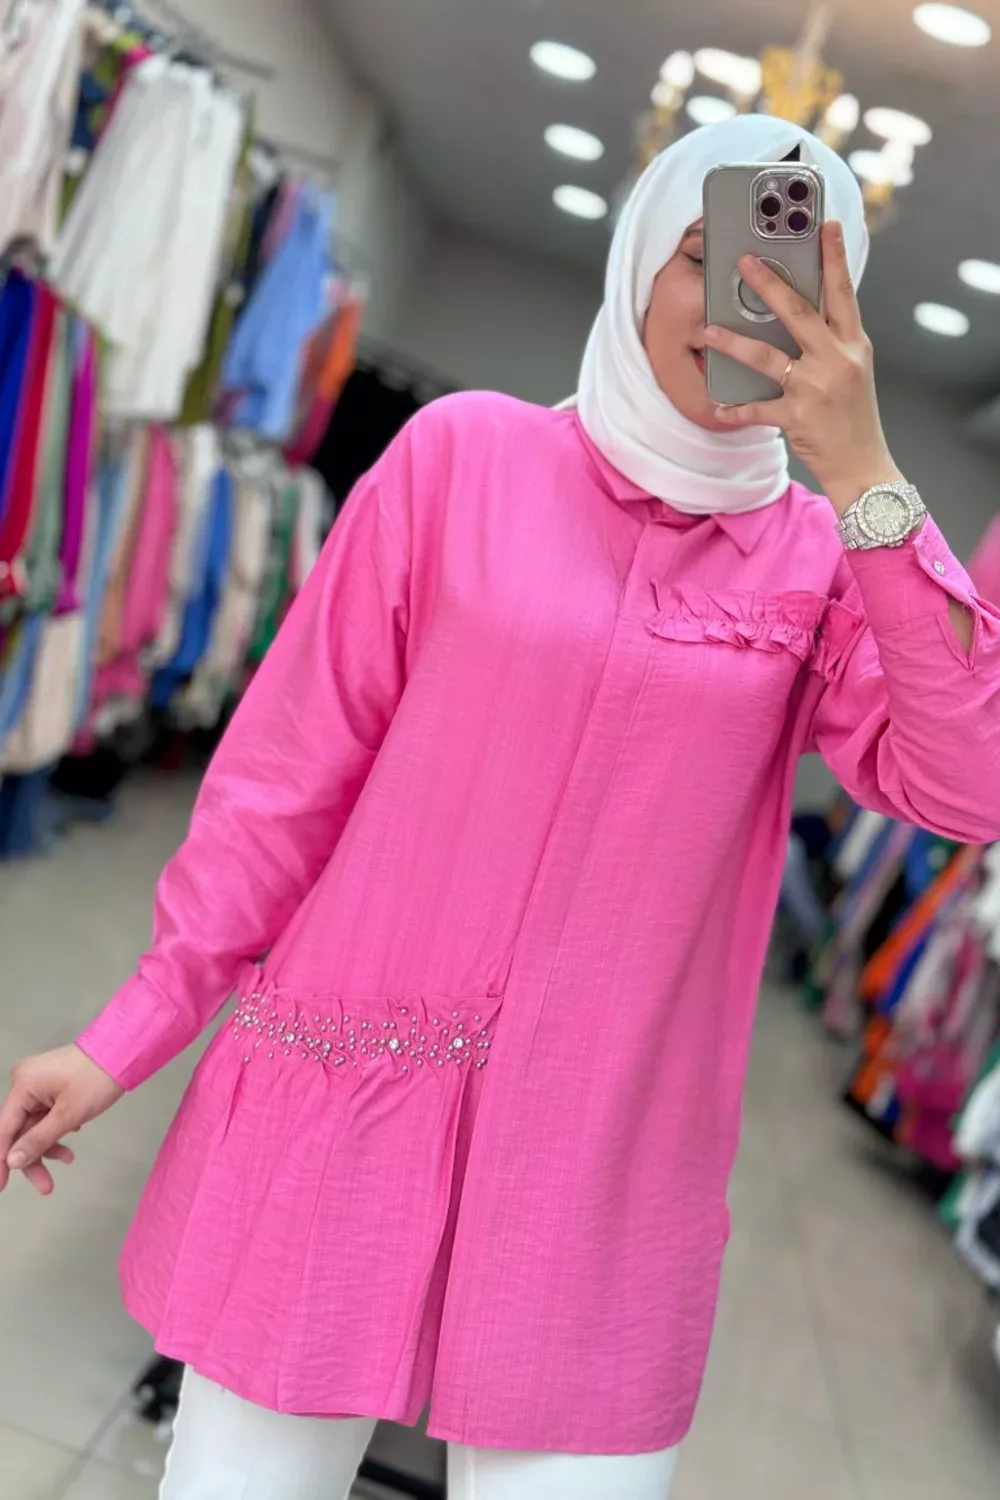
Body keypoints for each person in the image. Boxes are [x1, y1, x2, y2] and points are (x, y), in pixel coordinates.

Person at [4, 114, 1000, 1500]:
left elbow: (969, 784)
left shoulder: (820, 559)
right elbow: (284, 786)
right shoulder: (458, 460)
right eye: (706, 260)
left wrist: (868, 479)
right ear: (639, 258)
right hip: (338, 1115)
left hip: (599, 1188)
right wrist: (125, 1036)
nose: (743, 310)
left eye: (796, 285)